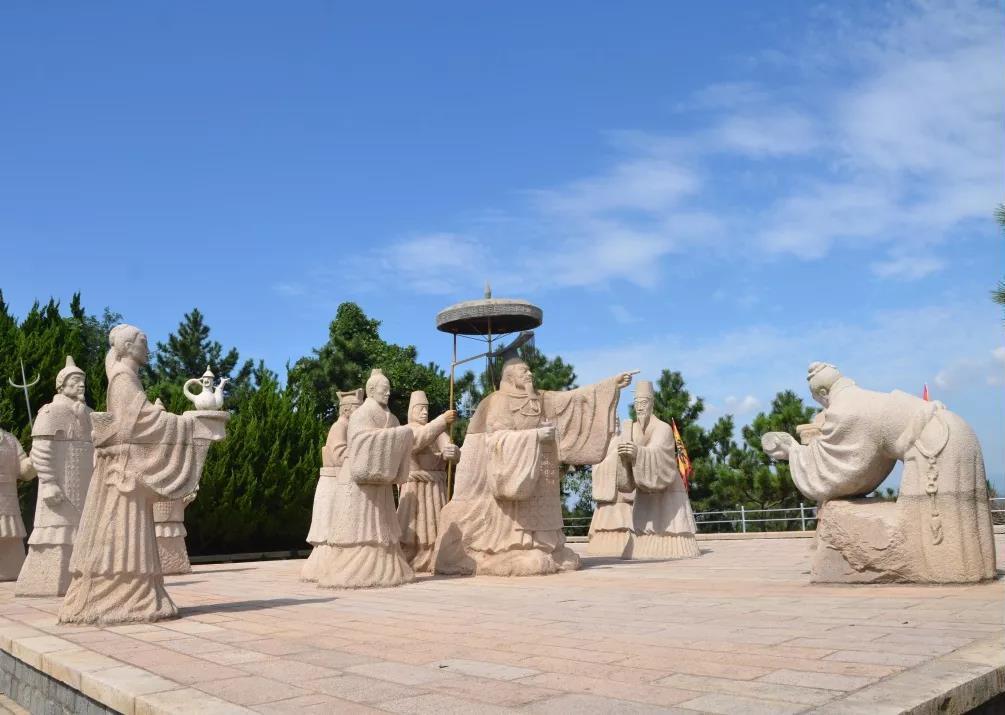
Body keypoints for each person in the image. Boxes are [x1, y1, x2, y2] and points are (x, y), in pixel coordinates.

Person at [762, 362, 996, 583]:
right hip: (954, 430)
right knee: (962, 532)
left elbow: (838, 471)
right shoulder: (861, 397)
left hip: (935, 443)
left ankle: (949, 573)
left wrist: (793, 451)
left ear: (823, 392)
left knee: (936, 542)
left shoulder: (843, 410)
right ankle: (972, 571)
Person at [60, 324, 228, 624]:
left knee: (130, 531)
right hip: (124, 474)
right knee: (124, 531)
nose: (148, 349)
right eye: (143, 342)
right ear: (127, 346)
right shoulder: (123, 379)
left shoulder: (127, 377)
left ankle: (136, 593)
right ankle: (125, 596)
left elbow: (140, 419)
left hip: (123, 473)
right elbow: (138, 424)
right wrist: (187, 422)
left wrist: (176, 419)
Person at [434, 358, 632, 576]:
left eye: (529, 370)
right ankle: (511, 549)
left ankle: (547, 547)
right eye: (523, 371)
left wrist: (610, 385)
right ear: (510, 377)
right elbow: (496, 439)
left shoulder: (542, 398)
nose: (529, 374)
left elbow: (574, 399)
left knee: (546, 524)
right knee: (517, 517)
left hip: (543, 471)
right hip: (517, 470)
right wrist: (535, 436)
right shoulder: (499, 401)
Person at [314, 369, 414, 589]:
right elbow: (359, 441)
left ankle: (387, 567)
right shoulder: (362, 415)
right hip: (358, 481)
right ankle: (354, 568)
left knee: (383, 524)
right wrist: (394, 435)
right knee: (360, 524)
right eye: (384, 389)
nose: (388, 393)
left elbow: (397, 444)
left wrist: (400, 436)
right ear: (371, 390)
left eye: (389, 389)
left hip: (380, 482)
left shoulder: (392, 418)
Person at [16, 356, 94, 596]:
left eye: (82, 380)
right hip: (60, 484)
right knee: (57, 532)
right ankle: (48, 581)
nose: (81, 384)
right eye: (75, 380)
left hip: (85, 486)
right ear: (62, 385)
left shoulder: (89, 413)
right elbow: (41, 451)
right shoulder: (51, 412)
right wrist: (49, 482)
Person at [618, 380, 699, 559]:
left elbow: (659, 451)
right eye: (637, 403)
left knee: (670, 526)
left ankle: (674, 546)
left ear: (652, 404)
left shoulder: (663, 428)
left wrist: (637, 452)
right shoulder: (633, 429)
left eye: (643, 403)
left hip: (667, 483)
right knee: (643, 527)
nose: (640, 407)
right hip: (644, 485)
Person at [302, 388, 362, 582]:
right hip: (332, 482)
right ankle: (321, 567)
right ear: (347, 409)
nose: (360, 413)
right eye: (357, 408)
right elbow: (338, 454)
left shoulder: (350, 428)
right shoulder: (339, 427)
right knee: (328, 527)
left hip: (340, 482)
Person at [397, 390, 458, 572]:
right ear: (411, 411)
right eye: (420, 409)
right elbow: (418, 441)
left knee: (436, 528)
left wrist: (453, 452)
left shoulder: (438, 431)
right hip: (414, 487)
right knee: (411, 529)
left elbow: (450, 448)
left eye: (426, 409)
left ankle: (434, 556)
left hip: (435, 488)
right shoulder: (408, 430)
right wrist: (442, 420)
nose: (424, 412)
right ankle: (411, 557)